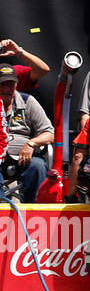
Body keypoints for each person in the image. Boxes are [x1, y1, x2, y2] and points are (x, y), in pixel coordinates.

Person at [1, 64, 55, 202]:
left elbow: (50, 133)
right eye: (2, 85)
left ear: (16, 85)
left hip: (23, 157)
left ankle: (36, 212)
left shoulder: (27, 101)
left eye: (10, 85)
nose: (7, 89)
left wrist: (32, 143)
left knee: (38, 166)